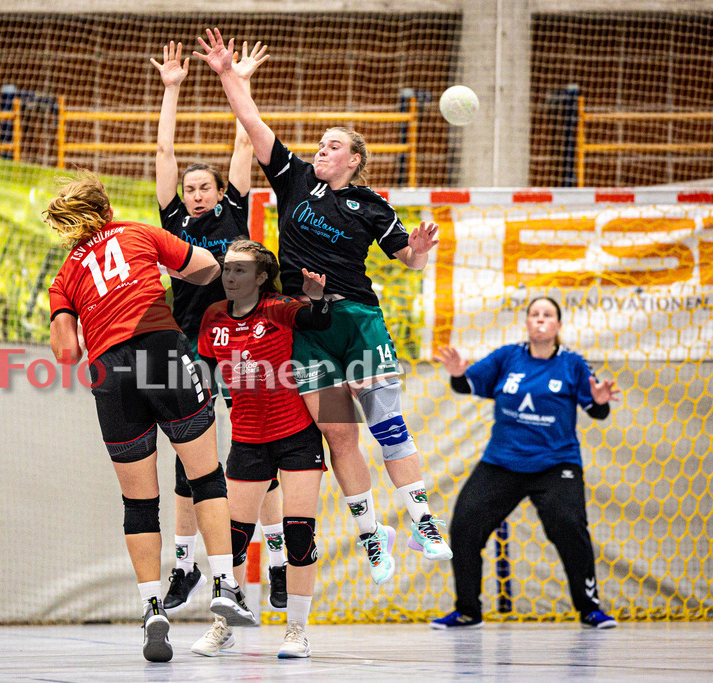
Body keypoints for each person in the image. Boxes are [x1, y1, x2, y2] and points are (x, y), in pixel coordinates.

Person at [195, 29, 452, 585]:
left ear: (354, 159)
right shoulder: (294, 180)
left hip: (356, 321)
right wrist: (226, 76)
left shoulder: (370, 204)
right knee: (338, 433)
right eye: (320, 143)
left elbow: (406, 258)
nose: (321, 149)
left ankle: (422, 520)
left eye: (333, 145)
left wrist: (421, 251)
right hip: (305, 325)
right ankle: (370, 533)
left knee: (387, 425)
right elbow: (254, 124)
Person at [46, 171, 256, 663]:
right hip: (160, 351)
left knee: (139, 503)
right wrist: (179, 273)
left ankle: (151, 608)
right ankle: (225, 584)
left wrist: (83, 311)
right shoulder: (139, 232)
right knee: (206, 477)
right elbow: (206, 266)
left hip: (109, 373)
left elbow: (64, 352)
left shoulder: (64, 276)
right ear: (107, 207)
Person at [151, 39, 288, 614]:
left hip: (244, 339)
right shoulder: (175, 219)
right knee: (192, 451)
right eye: (190, 187)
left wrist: (239, 80)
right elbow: (163, 150)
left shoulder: (233, 207)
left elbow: (243, 138)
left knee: (260, 446)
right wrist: (172, 88)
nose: (197, 193)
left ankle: (279, 562)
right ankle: (184, 565)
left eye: (204, 186)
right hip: (190, 341)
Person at [431, 296, 620, 629]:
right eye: (535, 314)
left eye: (548, 314)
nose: (541, 319)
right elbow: (468, 384)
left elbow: (597, 409)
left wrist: (601, 402)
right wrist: (459, 374)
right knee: (463, 526)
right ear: (527, 323)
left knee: (569, 526)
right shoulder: (508, 357)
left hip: (555, 464)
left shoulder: (573, 364)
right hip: (502, 463)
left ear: (558, 325)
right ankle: (467, 610)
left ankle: (590, 607)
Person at [192, 239, 331, 658]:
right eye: (227, 269)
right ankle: (223, 624)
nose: (230, 276)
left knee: (299, 535)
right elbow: (203, 377)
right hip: (248, 439)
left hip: (296, 434)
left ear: (260, 277)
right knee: (231, 538)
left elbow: (318, 321)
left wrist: (319, 299)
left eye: (239, 269)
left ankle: (296, 632)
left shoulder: (279, 308)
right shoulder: (213, 317)